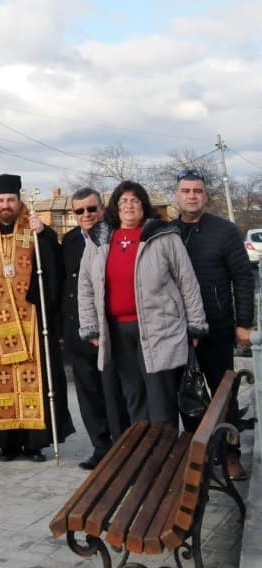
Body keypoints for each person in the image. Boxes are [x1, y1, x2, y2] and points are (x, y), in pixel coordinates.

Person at [78, 179, 207, 429]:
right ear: (115, 207)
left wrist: (196, 325)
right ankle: (144, 458)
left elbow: (187, 281)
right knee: (134, 396)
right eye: (123, 201)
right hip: (117, 331)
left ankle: (165, 459)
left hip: (159, 329)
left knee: (160, 399)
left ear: (143, 205)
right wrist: (90, 326)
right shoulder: (100, 239)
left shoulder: (163, 235)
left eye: (135, 200)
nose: (128, 206)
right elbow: (85, 285)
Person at [0, 173, 74, 461]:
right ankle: (8, 444)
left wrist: (45, 235)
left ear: (19, 201)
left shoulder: (36, 229)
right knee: (1, 384)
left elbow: (53, 270)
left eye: (10, 200)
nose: (5, 205)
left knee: (34, 381)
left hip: (32, 323)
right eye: (0, 200)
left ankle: (34, 443)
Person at [173, 167, 255, 480]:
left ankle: (230, 454)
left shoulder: (224, 231)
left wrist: (243, 323)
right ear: (177, 195)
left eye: (197, 191)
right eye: (186, 191)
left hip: (218, 327)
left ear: (206, 195)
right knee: (188, 397)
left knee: (225, 395)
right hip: (179, 332)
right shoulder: (169, 232)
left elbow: (243, 278)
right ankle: (201, 455)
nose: (192, 196)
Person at [61, 188, 129, 469]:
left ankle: (123, 447)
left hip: (108, 331)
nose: (87, 215)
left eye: (91, 209)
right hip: (79, 331)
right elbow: (66, 284)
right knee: (88, 393)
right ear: (74, 214)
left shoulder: (113, 237)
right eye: (80, 211)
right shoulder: (69, 241)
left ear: (102, 209)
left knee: (114, 393)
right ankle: (101, 447)